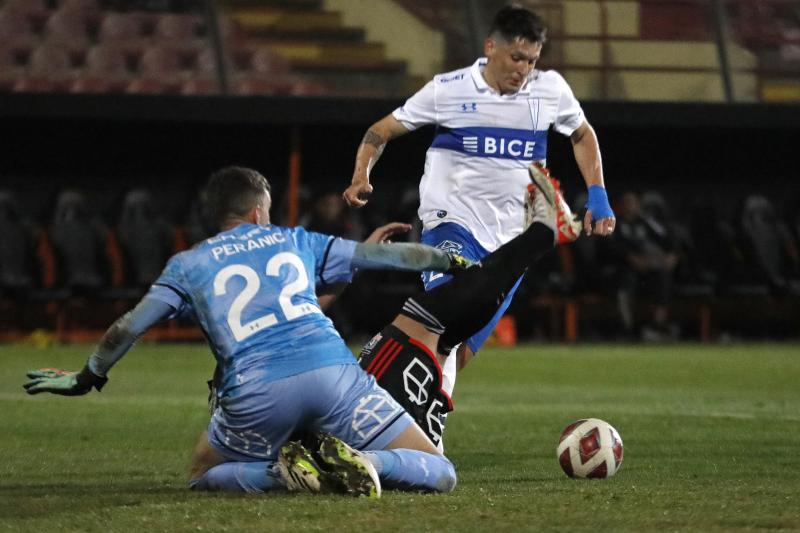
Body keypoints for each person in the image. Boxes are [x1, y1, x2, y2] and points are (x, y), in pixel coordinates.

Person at [23, 166, 472, 497]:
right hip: (335, 379)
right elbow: (398, 258)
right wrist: (452, 261)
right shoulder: (295, 239)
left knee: (202, 474)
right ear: (259, 212)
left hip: (257, 394)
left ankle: (284, 475)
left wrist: (88, 376)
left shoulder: (188, 264)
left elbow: (127, 327)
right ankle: (369, 462)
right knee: (440, 470)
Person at [342, 5, 615, 399]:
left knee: (457, 348)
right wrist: (361, 175)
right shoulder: (449, 89)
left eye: (532, 60)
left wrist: (598, 195)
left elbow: (582, 134)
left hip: (512, 243)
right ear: (491, 48)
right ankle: (379, 408)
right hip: (452, 224)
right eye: (516, 57)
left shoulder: (550, 89)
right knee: (444, 318)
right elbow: (380, 131)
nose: (523, 69)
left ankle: (407, 409)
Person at [356, 163, 582, 447]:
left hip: (374, 394)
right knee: (449, 335)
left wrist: (371, 255)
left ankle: (541, 233)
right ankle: (542, 233)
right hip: (395, 408)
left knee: (444, 325)